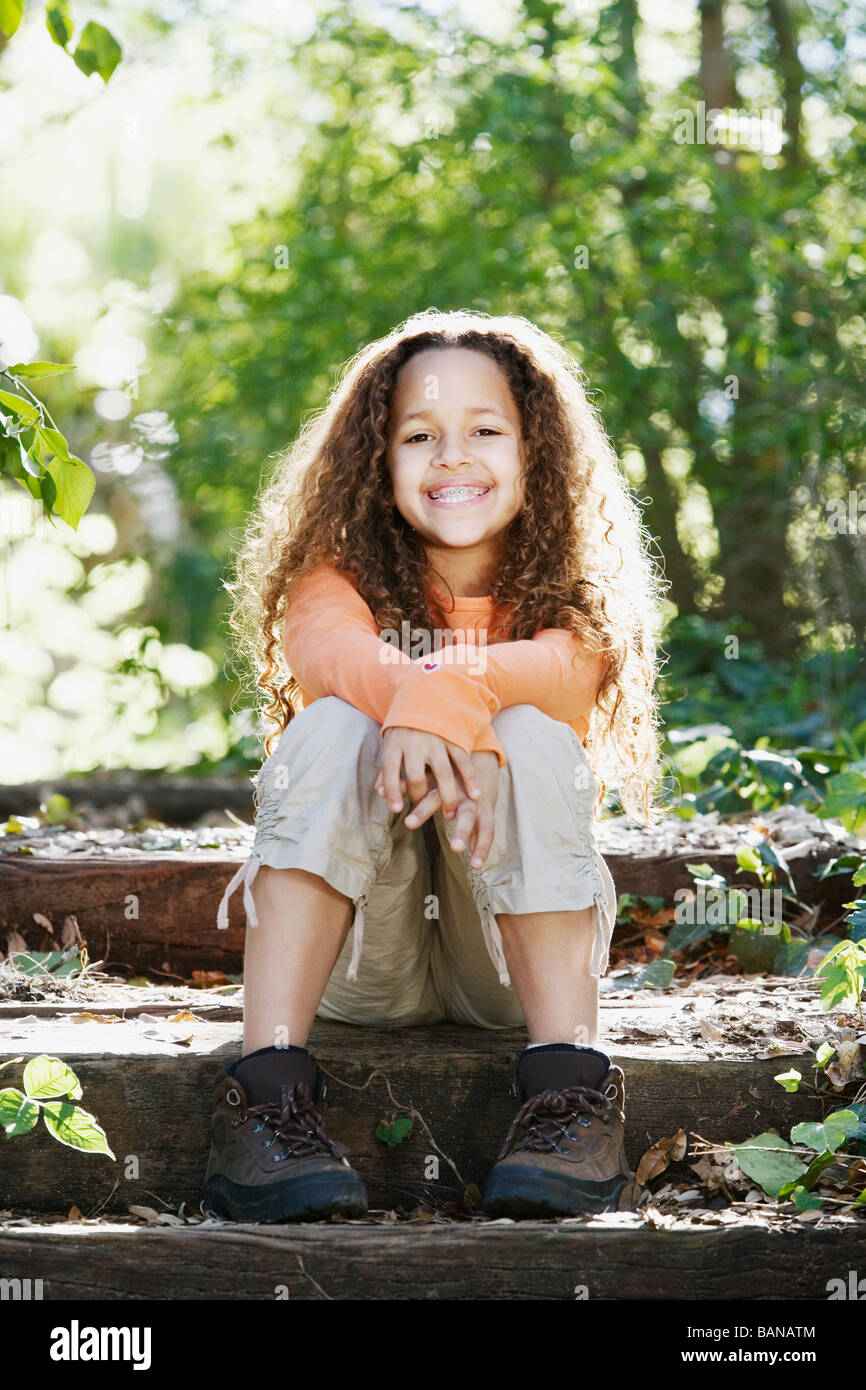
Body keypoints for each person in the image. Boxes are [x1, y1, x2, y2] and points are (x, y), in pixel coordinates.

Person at [203, 308, 663, 1223]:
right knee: (335, 722)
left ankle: (570, 1096)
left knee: (530, 729)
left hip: (503, 966)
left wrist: (463, 695)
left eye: (486, 431)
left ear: (538, 455)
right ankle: (266, 1103)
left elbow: (563, 674)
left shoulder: (572, 600)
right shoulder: (332, 578)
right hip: (362, 966)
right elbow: (331, 653)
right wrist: (431, 698)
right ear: (377, 461)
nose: (453, 457)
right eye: (419, 436)